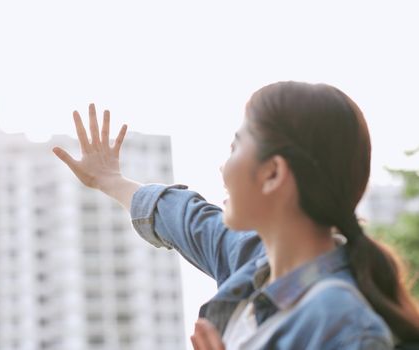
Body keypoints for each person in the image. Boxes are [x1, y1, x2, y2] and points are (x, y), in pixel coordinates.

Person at [52, 81, 419, 349]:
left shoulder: (341, 321)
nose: (223, 167)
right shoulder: (252, 262)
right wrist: (110, 181)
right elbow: (185, 218)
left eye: (235, 146)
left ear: (273, 173)